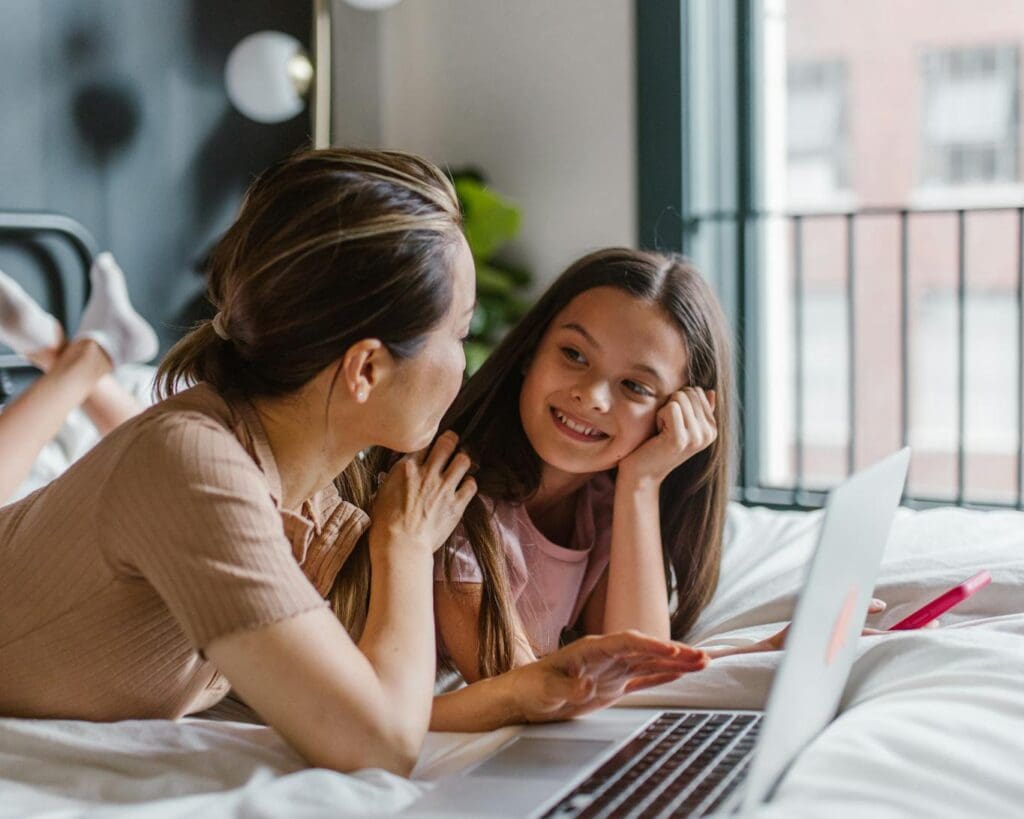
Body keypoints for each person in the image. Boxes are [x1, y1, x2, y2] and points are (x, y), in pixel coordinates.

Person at [0, 149, 708, 777]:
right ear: (367, 368)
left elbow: (361, 698)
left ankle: (81, 361)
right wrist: (402, 546)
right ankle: (83, 362)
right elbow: (381, 742)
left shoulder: (311, 480)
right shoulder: (200, 469)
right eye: (458, 334)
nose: (467, 365)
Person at [427, 248, 888, 684]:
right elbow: (521, 690)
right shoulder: (456, 498)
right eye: (574, 355)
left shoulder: (604, 509)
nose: (591, 396)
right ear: (531, 352)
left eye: (635, 386)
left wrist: (641, 484)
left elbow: (633, 667)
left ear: (677, 415)